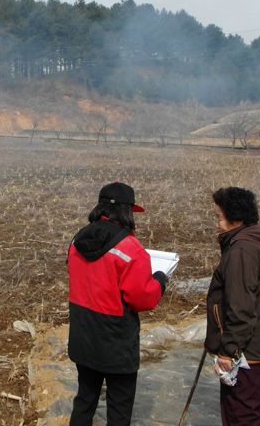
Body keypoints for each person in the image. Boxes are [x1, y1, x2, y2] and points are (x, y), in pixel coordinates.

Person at [67, 182, 168, 426]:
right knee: (119, 410)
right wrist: (160, 282)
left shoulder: (77, 240)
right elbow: (142, 298)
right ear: (126, 211)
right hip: (116, 342)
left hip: (83, 334)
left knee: (85, 400)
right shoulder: (131, 249)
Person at [204, 187, 260, 426]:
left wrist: (228, 350)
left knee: (242, 417)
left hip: (247, 354)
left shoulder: (242, 251)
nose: (217, 223)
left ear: (237, 218)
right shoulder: (253, 244)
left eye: (220, 217)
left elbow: (240, 307)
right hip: (259, 349)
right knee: (254, 413)